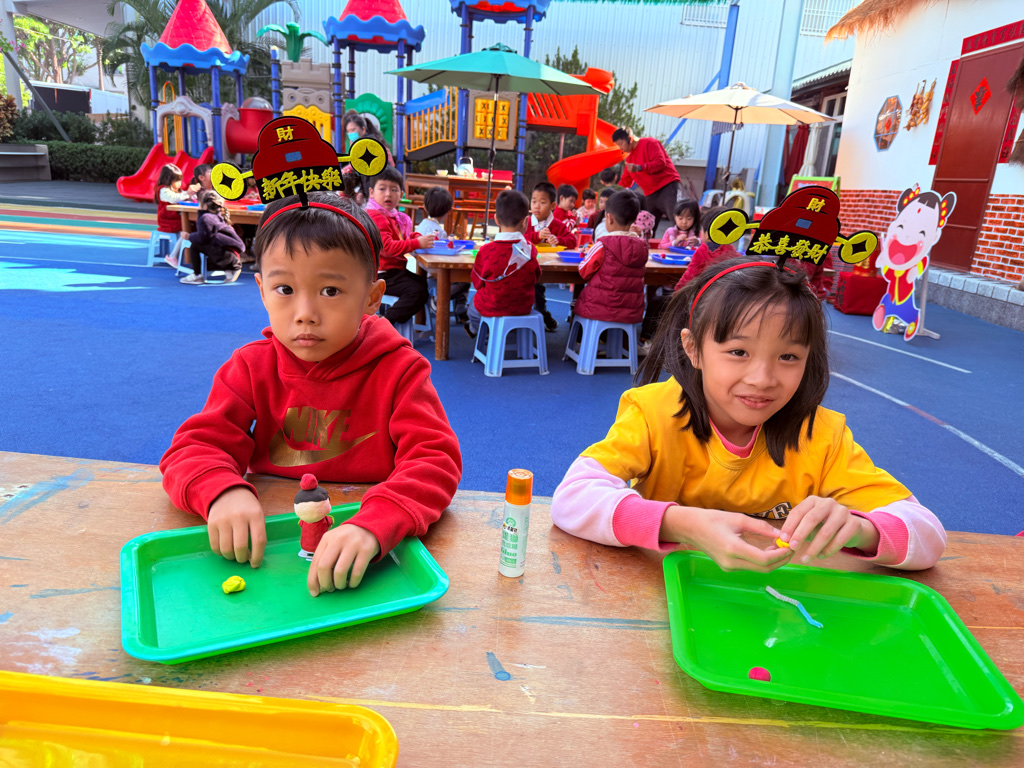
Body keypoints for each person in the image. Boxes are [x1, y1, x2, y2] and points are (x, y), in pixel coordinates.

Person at [550, 255, 946, 572]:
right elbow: (572, 498)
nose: (762, 379)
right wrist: (680, 523)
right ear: (693, 349)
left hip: (775, 614)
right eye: (738, 352)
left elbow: (928, 533)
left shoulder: (822, 436)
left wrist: (861, 529)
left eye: (788, 357)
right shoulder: (653, 413)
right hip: (663, 601)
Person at [159, 191, 462, 594]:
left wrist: (377, 522)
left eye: (330, 291)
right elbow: (194, 448)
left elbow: (434, 460)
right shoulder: (250, 367)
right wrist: (221, 491)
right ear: (262, 290)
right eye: (284, 289)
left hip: (372, 557)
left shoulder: (400, 370)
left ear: (372, 297)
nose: (305, 313)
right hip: (270, 553)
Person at [466, 189, 541, 338]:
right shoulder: (530, 249)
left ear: (496, 219)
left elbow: (477, 282)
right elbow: (536, 277)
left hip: (492, 307)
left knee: (473, 309)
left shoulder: (486, 251)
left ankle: (482, 333)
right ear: (526, 221)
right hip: (522, 307)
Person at [366, 166, 433, 326]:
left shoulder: (395, 217)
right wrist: (417, 243)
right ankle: (384, 323)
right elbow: (387, 248)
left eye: (394, 190)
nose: (388, 194)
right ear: (371, 192)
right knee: (417, 291)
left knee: (421, 283)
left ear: (401, 195)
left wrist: (417, 237)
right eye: (382, 189)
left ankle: (406, 323)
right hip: (379, 274)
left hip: (393, 271)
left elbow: (404, 236)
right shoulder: (376, 216)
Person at [574, 190, 649, 325]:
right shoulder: (642, 246)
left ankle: (579, 337)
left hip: (597, 308)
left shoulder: (602, 244)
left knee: (578, 301)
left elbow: (583, 271)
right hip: (631, 312)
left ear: (609, 218)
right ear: (634, 219)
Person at [526, 181, 576, 332]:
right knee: (534, 285)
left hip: (550, 267)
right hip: (528, 266)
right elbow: (519, 237)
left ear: (553, 206)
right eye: (534, 201)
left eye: (542, 202)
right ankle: (542, 313)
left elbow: (572, 240)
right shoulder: (526, 222)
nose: (536, 206)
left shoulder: (557, 224)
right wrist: (536, 236)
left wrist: (558, 240)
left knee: (538, 286)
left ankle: (542, 312)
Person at [612, 127, 682, 233]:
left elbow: (660, 162)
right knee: (645, 225)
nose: (621, 148)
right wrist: (613, 193)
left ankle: (684, 240)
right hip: (650, 194)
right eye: (618, 145)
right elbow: (625, 181)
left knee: (677, 219)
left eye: (621, 144)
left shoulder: (649, 143)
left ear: (630, 138)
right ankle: (646, 242)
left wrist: (640, 167)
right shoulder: (629, 160)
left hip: (667, 186)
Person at [417, 186, 469, 324]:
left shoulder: (421, 225)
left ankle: (460, 309)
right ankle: (442, 301)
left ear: (425, 207)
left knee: (460, 279)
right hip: (435, 273)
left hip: (423, 270)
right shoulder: (439, 232)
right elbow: (445, 257)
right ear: (448, 211)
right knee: (464, 279)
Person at [181, 190, 244, 285]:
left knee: (195, 245)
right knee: (203, 243)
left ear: (205, 206)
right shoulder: (217, 216)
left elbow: (203, 237)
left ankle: (197, 275)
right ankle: (230, 268)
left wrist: (189, 236)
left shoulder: (205, 218)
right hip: (230, 254)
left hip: (225, 257)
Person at [155, 163, 200, 269]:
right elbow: (174, 198)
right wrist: (187, 194)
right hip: (167, 220)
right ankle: (173, 256)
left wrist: (191, 195)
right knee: (187, 228)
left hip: (175, 218)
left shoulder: (175, 190)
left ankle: (185, 255)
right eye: (177, 181)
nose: (180, 184)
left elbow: (182, 195)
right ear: (168, 180)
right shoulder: (163, 190)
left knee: (192, 226)